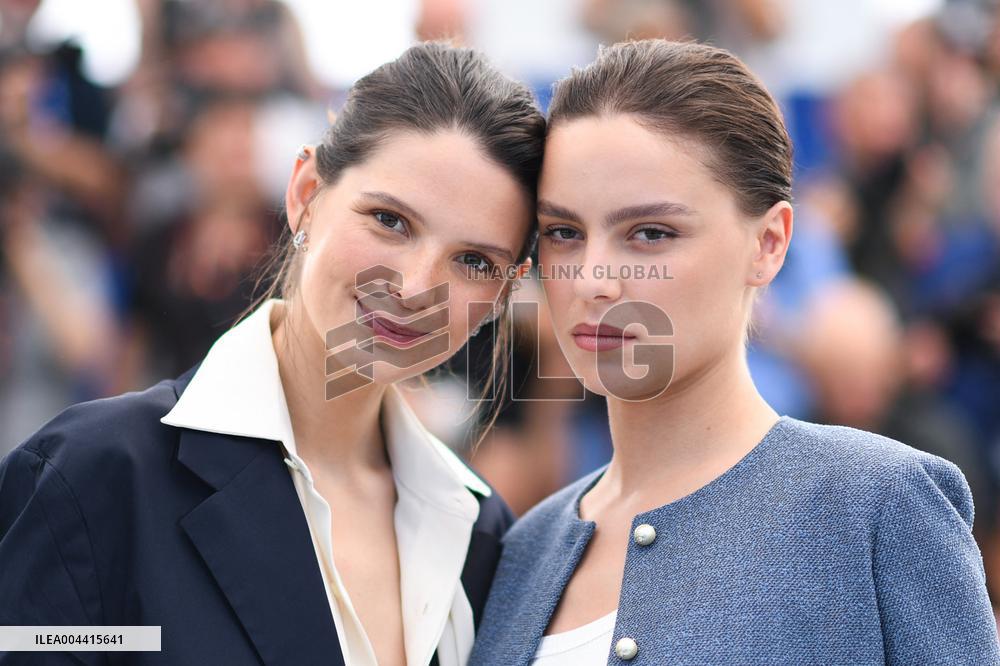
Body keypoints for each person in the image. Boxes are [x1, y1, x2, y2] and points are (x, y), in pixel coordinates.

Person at [0, 42, 542, 666]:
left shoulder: (480, 533)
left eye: (474, 261)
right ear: (306, 192)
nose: (418, 286)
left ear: (505, 289)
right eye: (391, 221)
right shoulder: (94, 475)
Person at [469, 39, 999, 665]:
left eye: (650, 234)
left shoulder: (876, 504)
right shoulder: (523, 550)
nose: (593, 279)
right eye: (564, 233)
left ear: (768, 243)